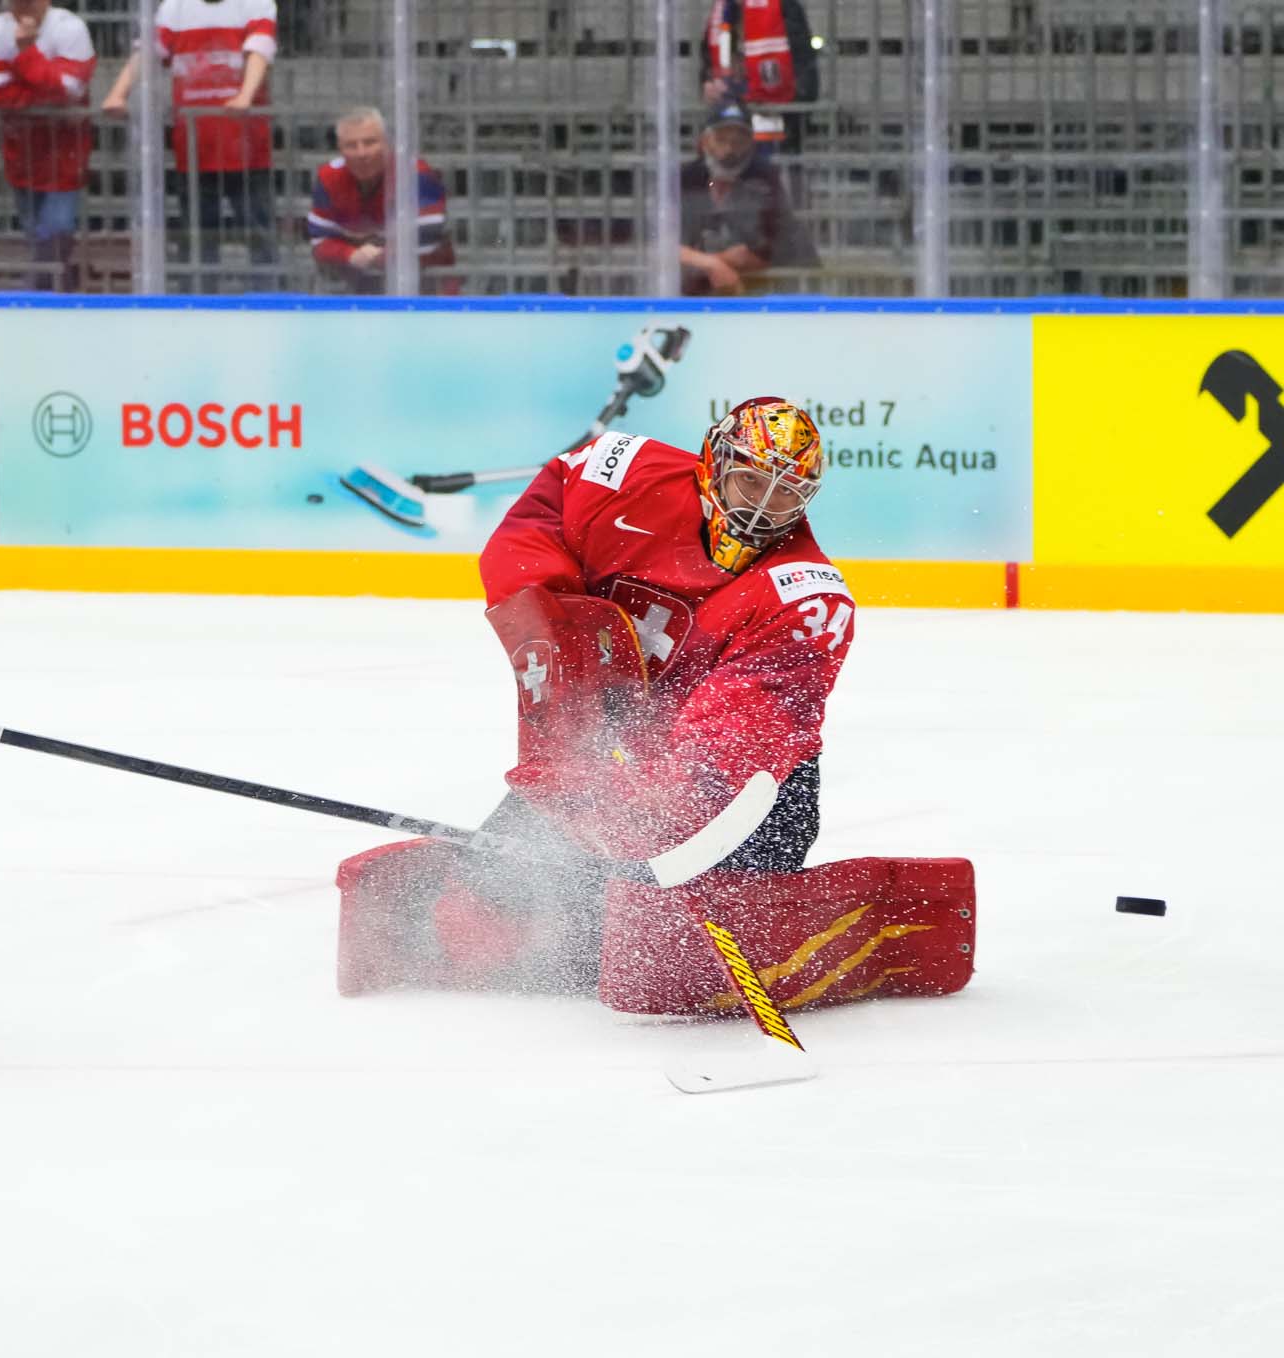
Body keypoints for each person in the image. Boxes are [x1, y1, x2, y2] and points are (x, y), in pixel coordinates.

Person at [334, 400, 976, 1015]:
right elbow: (539, 520)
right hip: (606, 747)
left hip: (754, 793)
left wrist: (637, 825)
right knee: (479, 915)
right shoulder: (624, 472)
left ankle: (658, 915)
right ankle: (544, 907)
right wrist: (563, 638)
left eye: (785, 494)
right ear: (713, 462)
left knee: (653, 938)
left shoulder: (808, 599)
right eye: (752, 481)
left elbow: (734, 741)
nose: (762, 508)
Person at [102, 0, 279, 288]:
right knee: (197, 235)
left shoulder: (254, 3)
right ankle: (198, 298)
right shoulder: (175, 7)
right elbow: (148, 52)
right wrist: (117, 93)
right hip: (195, 147)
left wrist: (246, 95)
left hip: (246, 146)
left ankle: (268, 298)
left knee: (258, 230)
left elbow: (260, 48)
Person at [0, 0, 97, 289]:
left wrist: (26, 53)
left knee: (56, 229)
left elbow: (69, 89)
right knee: (35, 234)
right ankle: (58, 289)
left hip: (64, 153)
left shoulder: (71, 28)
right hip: (22, 152)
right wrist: (47, 101)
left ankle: (43, 291)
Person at [307, 107, 456, 295]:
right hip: (356, 280)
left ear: (387, 144)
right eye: (351, 145)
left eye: (370, 142)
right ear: (340, 148)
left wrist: (382, 255)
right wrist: (350, 254)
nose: (361, 153)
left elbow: (428, 237)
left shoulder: (415, 173)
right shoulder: (328, 177)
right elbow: (320, 242)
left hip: (424, 282)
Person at [679, 100, 816, 296]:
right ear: (705, 141)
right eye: (721, 139)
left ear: (751, 143)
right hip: (699, 292)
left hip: (767, 293)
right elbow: (663, 245)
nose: (729, 149)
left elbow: (765, 253)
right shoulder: (687, 179)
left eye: (738, 141)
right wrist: (713, 264)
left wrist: (706, 262)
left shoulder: (765, 180)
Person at [700, 0, 819, 154]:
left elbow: (804, 68)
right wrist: (708, 83)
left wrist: (792, 111)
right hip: (730, 124)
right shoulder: (721, 12)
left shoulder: (784, 6)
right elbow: (707, 62)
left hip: (779, 118)